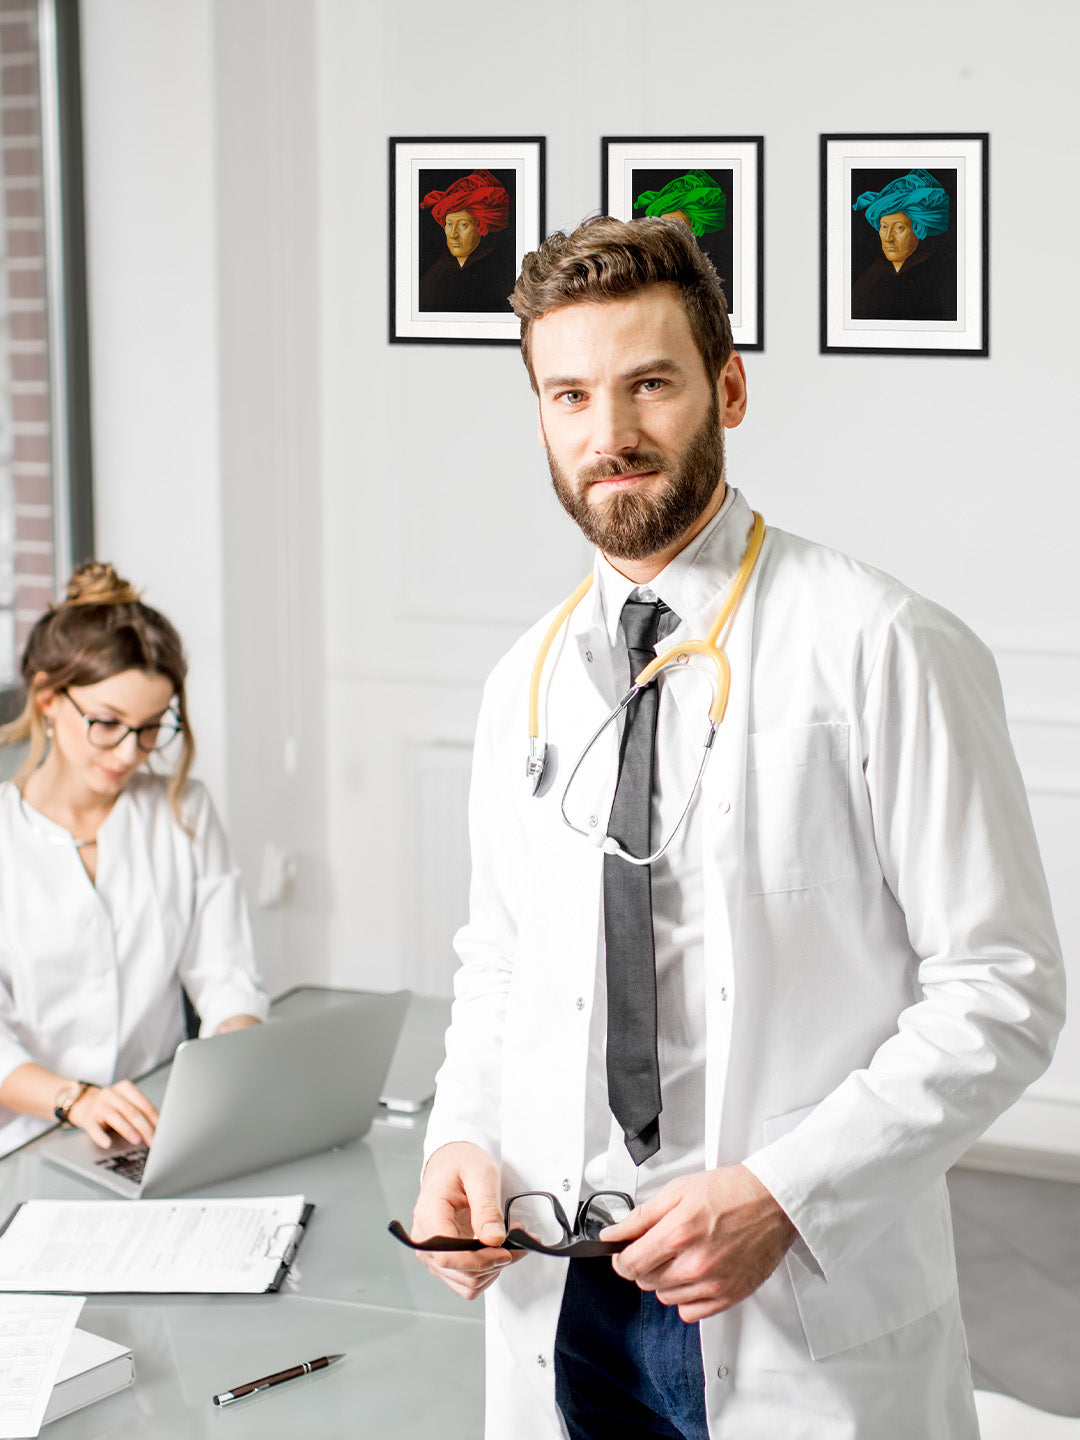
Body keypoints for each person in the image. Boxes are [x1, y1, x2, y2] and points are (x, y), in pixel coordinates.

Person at [406, 216, 1065, 1439]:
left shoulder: (882, 646)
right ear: (541, 418)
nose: (609, 434)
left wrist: (785, 1196)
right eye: (570, 396)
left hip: (789, 1294)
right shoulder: (523, 683)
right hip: (565, 1288)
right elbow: (498, 962)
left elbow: (1002, 987)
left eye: (650, 383)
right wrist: (463, 1135)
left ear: (730, 389)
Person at [0, 562, 269, 1156]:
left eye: (150, 728)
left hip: (160, 1128)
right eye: (107, 723)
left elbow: (226, 979)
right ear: (48, 698)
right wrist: (77, 1100)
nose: (129, 753)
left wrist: (235, 1058)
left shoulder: (185, 811)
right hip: (29, 1141)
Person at [851, 167, 956, 321]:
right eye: (884, 227)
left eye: (899, 228)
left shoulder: (942, 279)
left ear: (919, 229)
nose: (888, 238)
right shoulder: (867, 281)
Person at [418, 168, 516, 314]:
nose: (453, 234)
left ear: (481, 226)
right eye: (449, 224)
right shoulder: (435, 274)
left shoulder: (499, 274)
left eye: (463, 225)